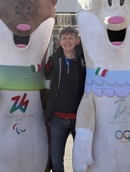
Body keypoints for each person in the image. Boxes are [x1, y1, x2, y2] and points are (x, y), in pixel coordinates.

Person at [45, 27, 86, 172]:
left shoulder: (84, 61)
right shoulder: (55, 59)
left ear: (77, 41)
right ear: (60, 41)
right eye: (64, 38)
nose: (67, 41)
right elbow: (43, 74)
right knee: (56, 162)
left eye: (70, 38)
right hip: (57, 119)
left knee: (82, 161)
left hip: (80, 119)